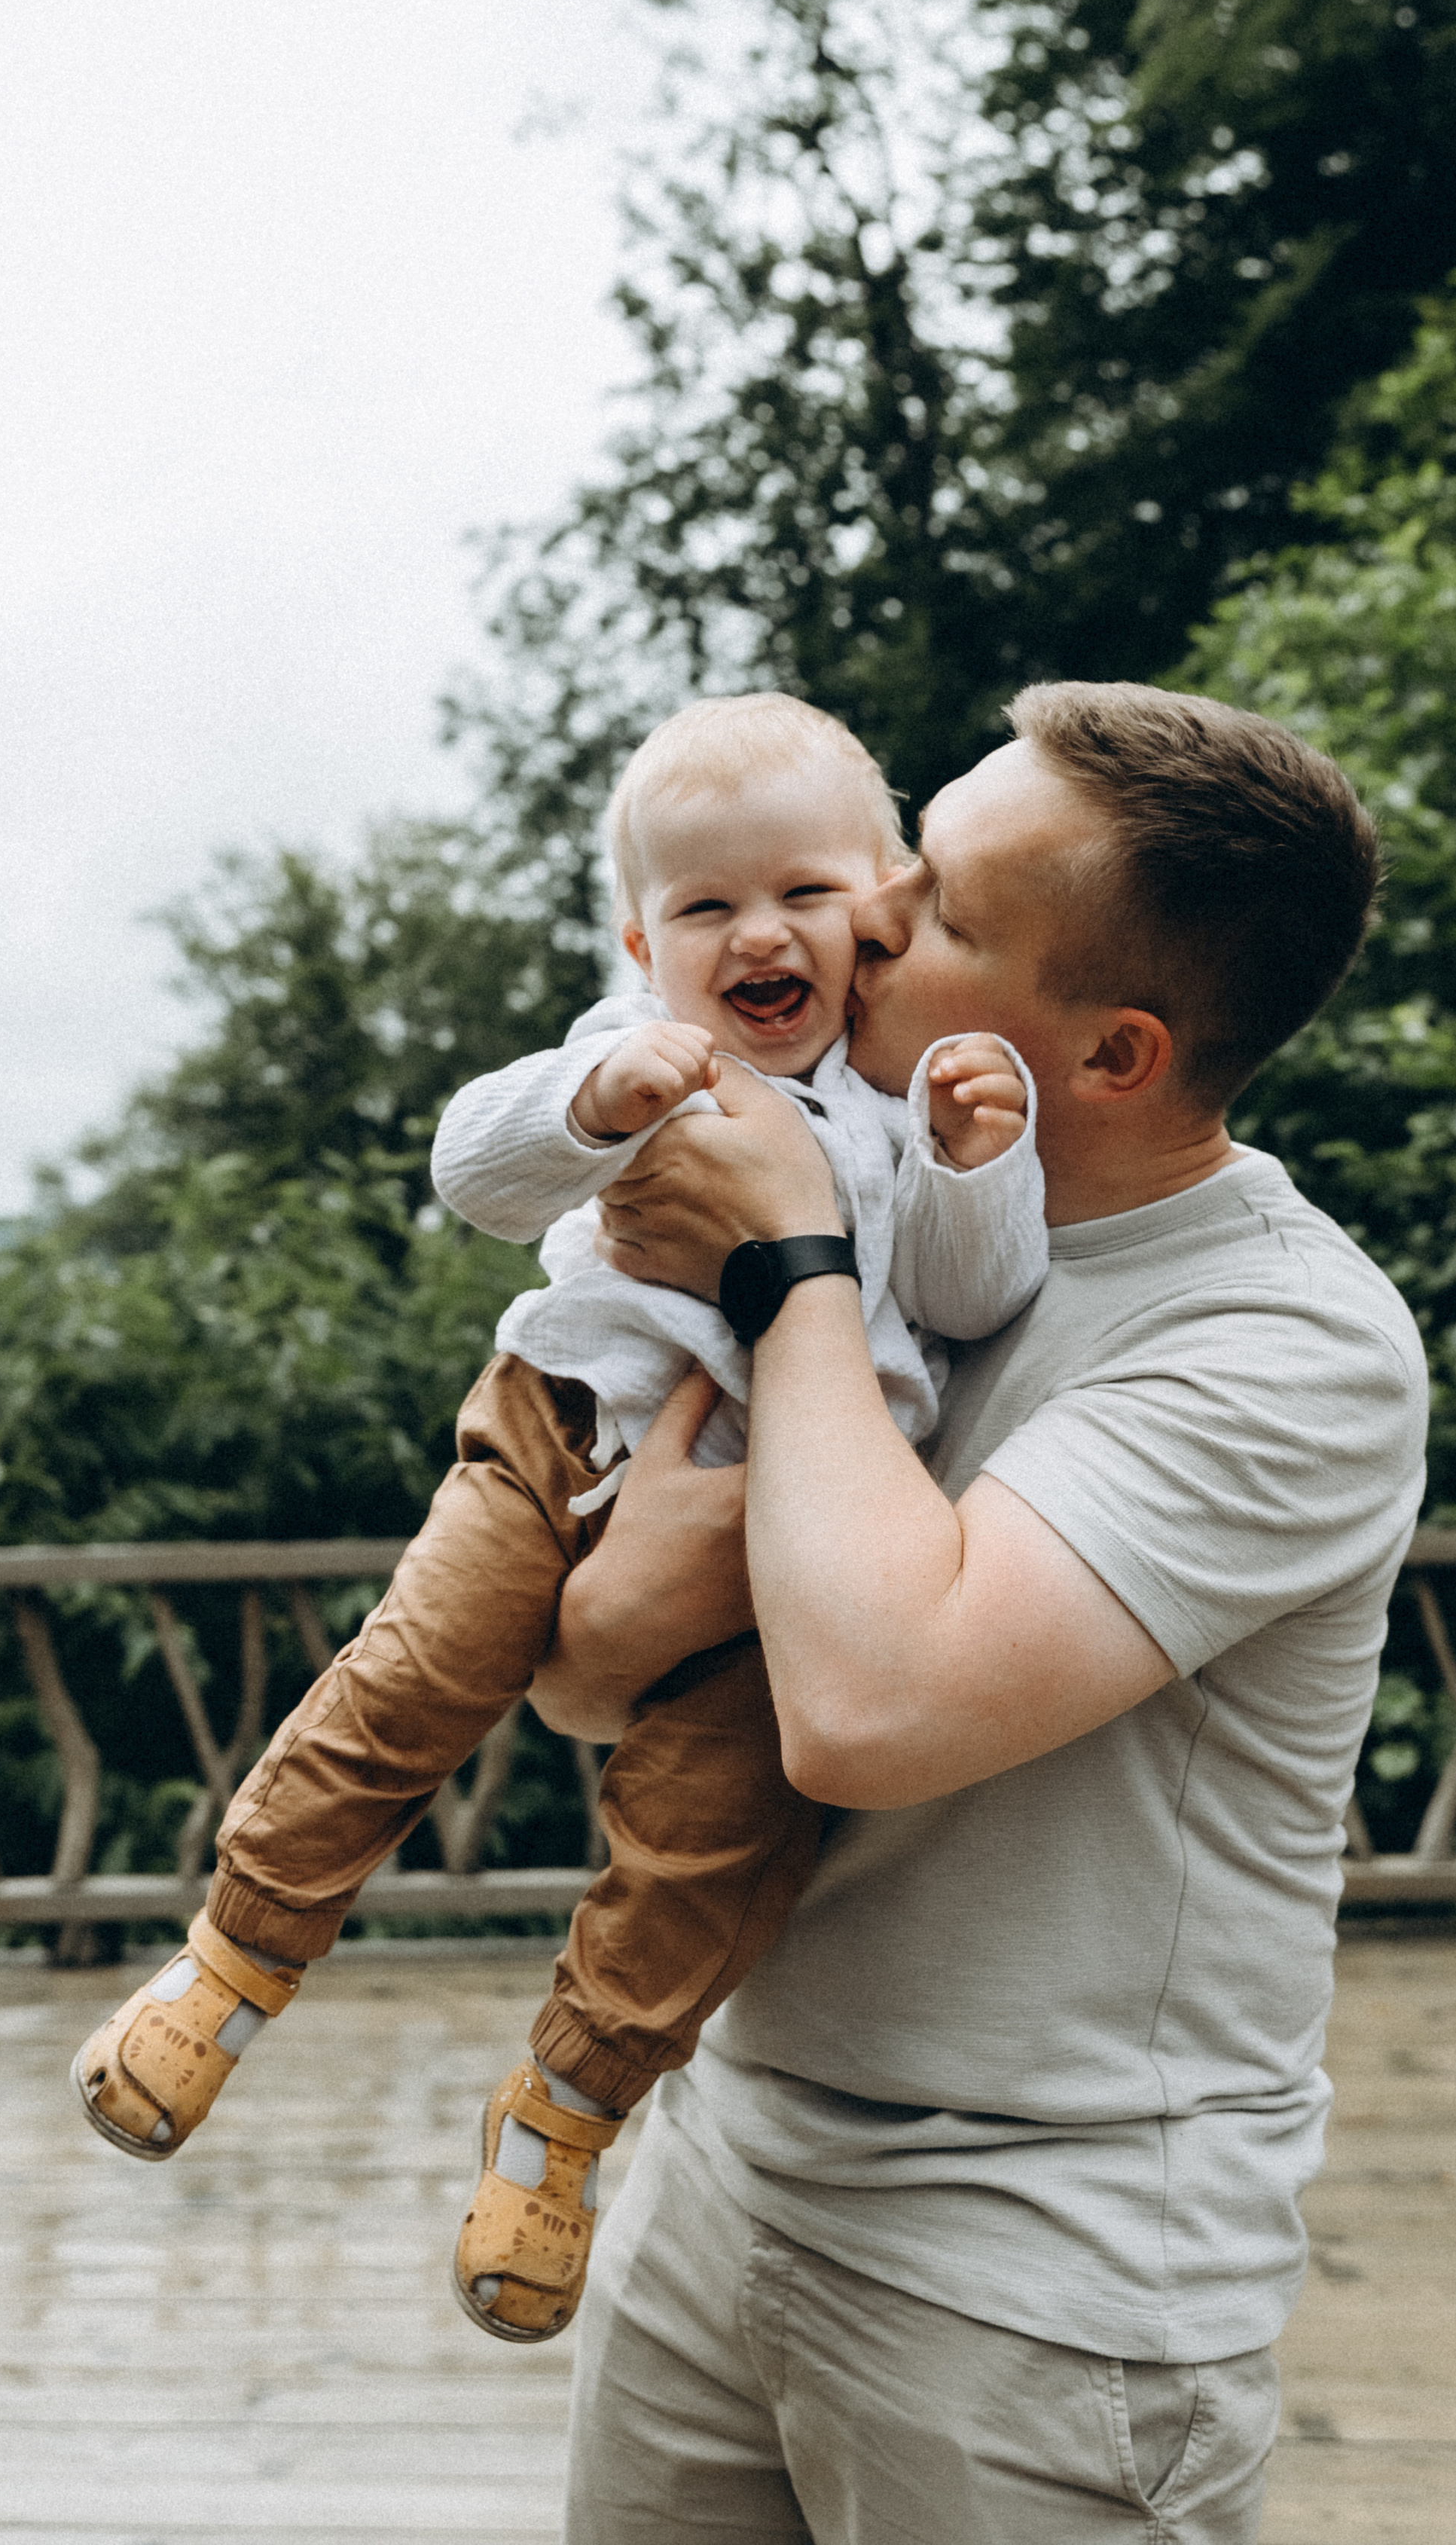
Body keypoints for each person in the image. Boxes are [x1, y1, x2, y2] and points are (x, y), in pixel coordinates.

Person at [534, 683, 1429, 2545]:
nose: (856, 921)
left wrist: (784, 1260)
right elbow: (585, 1664)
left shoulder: (1283, 1345)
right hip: (724, 2160)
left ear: (1106, 1056)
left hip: (1036, 2280)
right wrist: (607, 1616)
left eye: (932, 910)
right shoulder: (882, 1210)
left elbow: (865, 1709)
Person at [67, 693, 1048, 2345]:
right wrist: (592, 1104)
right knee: (408, 1684)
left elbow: (973, 1295)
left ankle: (560, 2126)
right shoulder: (631, 1048)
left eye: (804, 894)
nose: (757, 935)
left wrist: (970, 1161)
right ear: (638, 938)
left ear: (881, 903)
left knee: (706, 1847)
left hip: (784, 1548)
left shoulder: (902, 1107)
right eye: (703, 908)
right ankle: (228, 1965)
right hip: (557, 1435)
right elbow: (474, 1172)